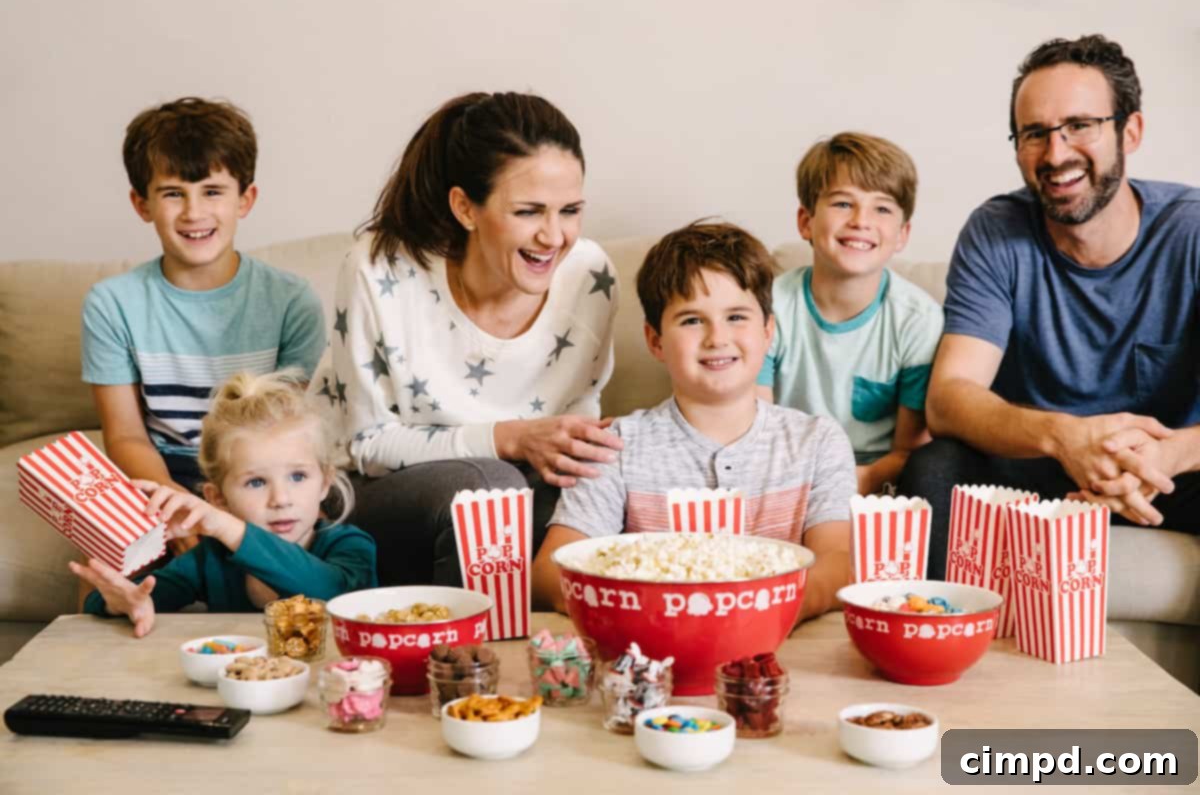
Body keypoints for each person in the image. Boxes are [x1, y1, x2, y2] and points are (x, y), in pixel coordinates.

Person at [899, 34, 1200, 578]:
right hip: (1038, 466)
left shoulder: (1192, 231)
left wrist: (1170, 454)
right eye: (1035, 133)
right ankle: (948, 653)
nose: (1056, 154)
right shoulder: (995, 233)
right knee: (935, 468)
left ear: (1129, 131)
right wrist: (1066, 438)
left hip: (1164, 473)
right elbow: (948, 399)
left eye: (1080, 125)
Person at [312, 92, 621, 587]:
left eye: (570, 210)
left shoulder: (590, 274)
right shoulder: (379, 268)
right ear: (465, 208)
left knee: (604, 486)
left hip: (515, 489)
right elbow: (366, 444)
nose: (554, 236)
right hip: (367, 491)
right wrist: (510, 438)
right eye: (528, 211)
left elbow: (576, 421)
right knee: (489, 490)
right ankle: (466, 658)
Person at [531, 221, 857, 621]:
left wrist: (771, 611)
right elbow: (550, 571)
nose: (716, 338)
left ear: (768, 331)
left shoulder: (817, 441)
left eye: (736, 317)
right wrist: (637, 611)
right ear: (655, 341)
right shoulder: (617, 446)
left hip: (777, 639)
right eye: (691, 320)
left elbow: (839, 560)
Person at [81, 97, 326, 557]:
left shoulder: (292, 300)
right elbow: (126, 435)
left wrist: (231, 509)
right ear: (142, 204)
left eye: (212, 191)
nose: (194, 213)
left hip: (257, 465)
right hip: (164, 469)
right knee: (104, 554)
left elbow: (287, 430)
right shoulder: (112, 303)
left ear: (245, 199)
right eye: (173, 193)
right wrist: (176, 505)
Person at [72, 370, 377, 637]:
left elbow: (332, 595)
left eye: (298, 476)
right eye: (256, 482)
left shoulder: (350, 546)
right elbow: (129, 597)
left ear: (325, 483)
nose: (281, 499)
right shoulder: (211, 559)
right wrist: (123, 601)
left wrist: (227, 528)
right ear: (218, 498)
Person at [757, 132, 942, 495]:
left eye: (882, 208)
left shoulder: (918, 320)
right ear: (806, 221)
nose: (861, 220)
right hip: (788, 473)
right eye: (843, 203)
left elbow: (910, 450)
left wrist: (860, 481)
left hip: (877, 479)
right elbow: (755, 430)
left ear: (902, 234)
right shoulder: (770, 307)